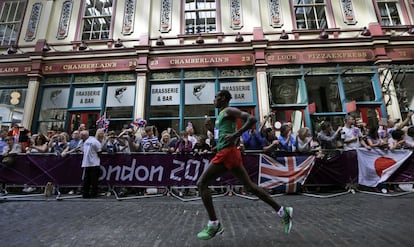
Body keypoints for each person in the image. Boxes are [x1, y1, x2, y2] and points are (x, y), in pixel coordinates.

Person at [196, 90, 293, 240]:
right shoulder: (221, 115)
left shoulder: (229, 110)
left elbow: (252, 119)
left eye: (216, 97)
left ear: (223, 98)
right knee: (249, 187)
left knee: (202, 183)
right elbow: (225, 134)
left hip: (228, 154)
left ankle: (214, 224)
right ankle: (282, 211)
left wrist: (236, 135)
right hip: (228, 152)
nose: (213, 100)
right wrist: (219, 145)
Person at [79, 130, 102, 198]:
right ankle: (91, 194)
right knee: (91, 180)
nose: (80, 137)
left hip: (90, 163)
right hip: (91, 163)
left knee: (89, 180)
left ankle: (88, 193)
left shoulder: (90, 142)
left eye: (81, 136)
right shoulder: (91, 142)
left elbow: (98, 151)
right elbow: (99, 151)